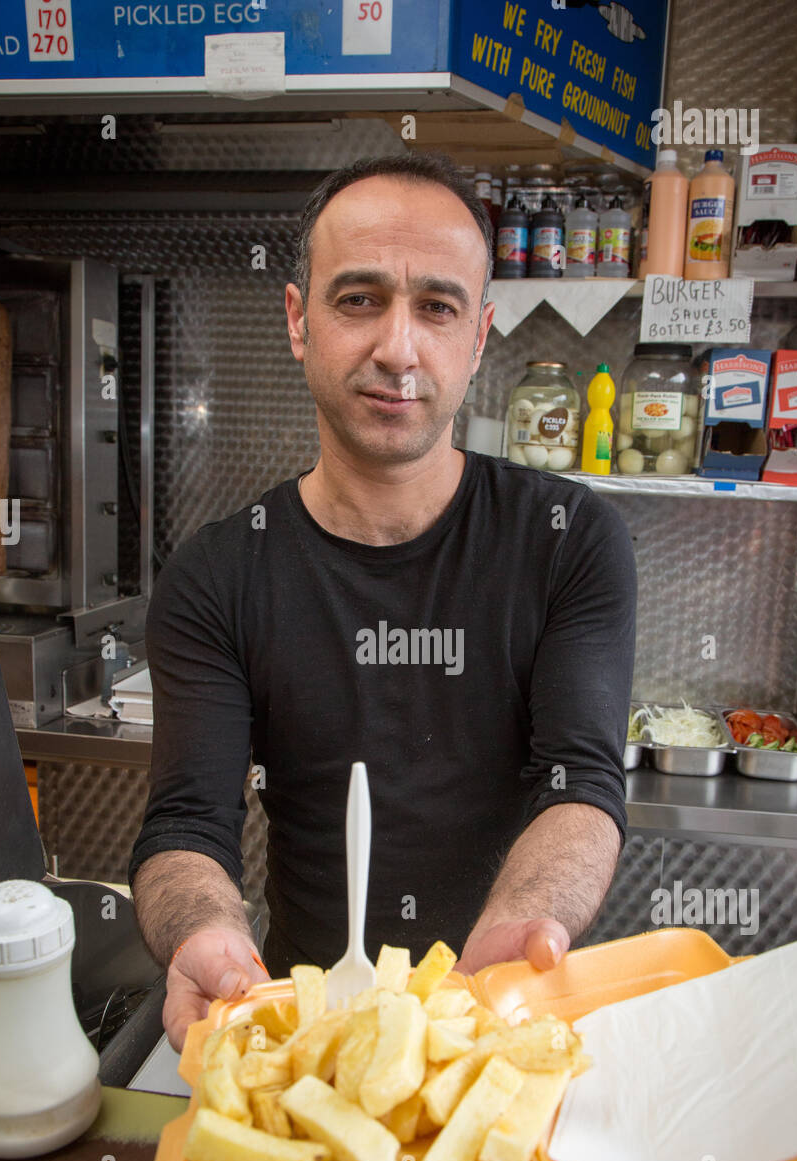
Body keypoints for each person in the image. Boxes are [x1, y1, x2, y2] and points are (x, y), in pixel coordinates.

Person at [128, 152, 637, 1052]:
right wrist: (205, 933)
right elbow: (185, 824)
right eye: (358, 299)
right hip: (300, 1034)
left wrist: (520, 924)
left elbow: (581, 783)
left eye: (436, 307)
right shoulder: (217, 576)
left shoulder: (567, 539)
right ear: (298, 320)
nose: (397, 349)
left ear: (478, 337)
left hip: (498, 1025)